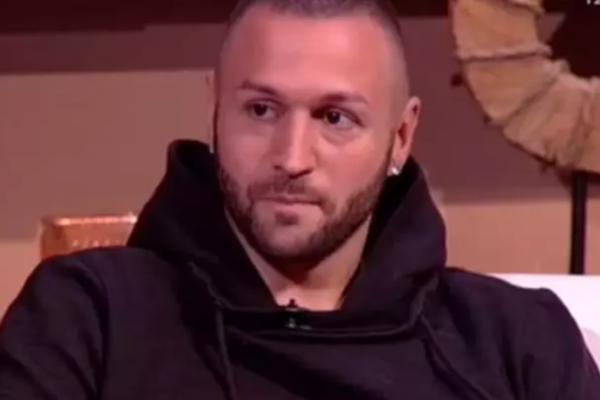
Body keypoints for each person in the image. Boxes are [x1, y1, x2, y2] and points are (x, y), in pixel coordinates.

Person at [1, 0, 599, 398]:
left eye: (335, 118)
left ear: (401, 135)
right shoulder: (90, 316)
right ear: (214, 110)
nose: (291, 157)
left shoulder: (518, 341)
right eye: (261, 110)